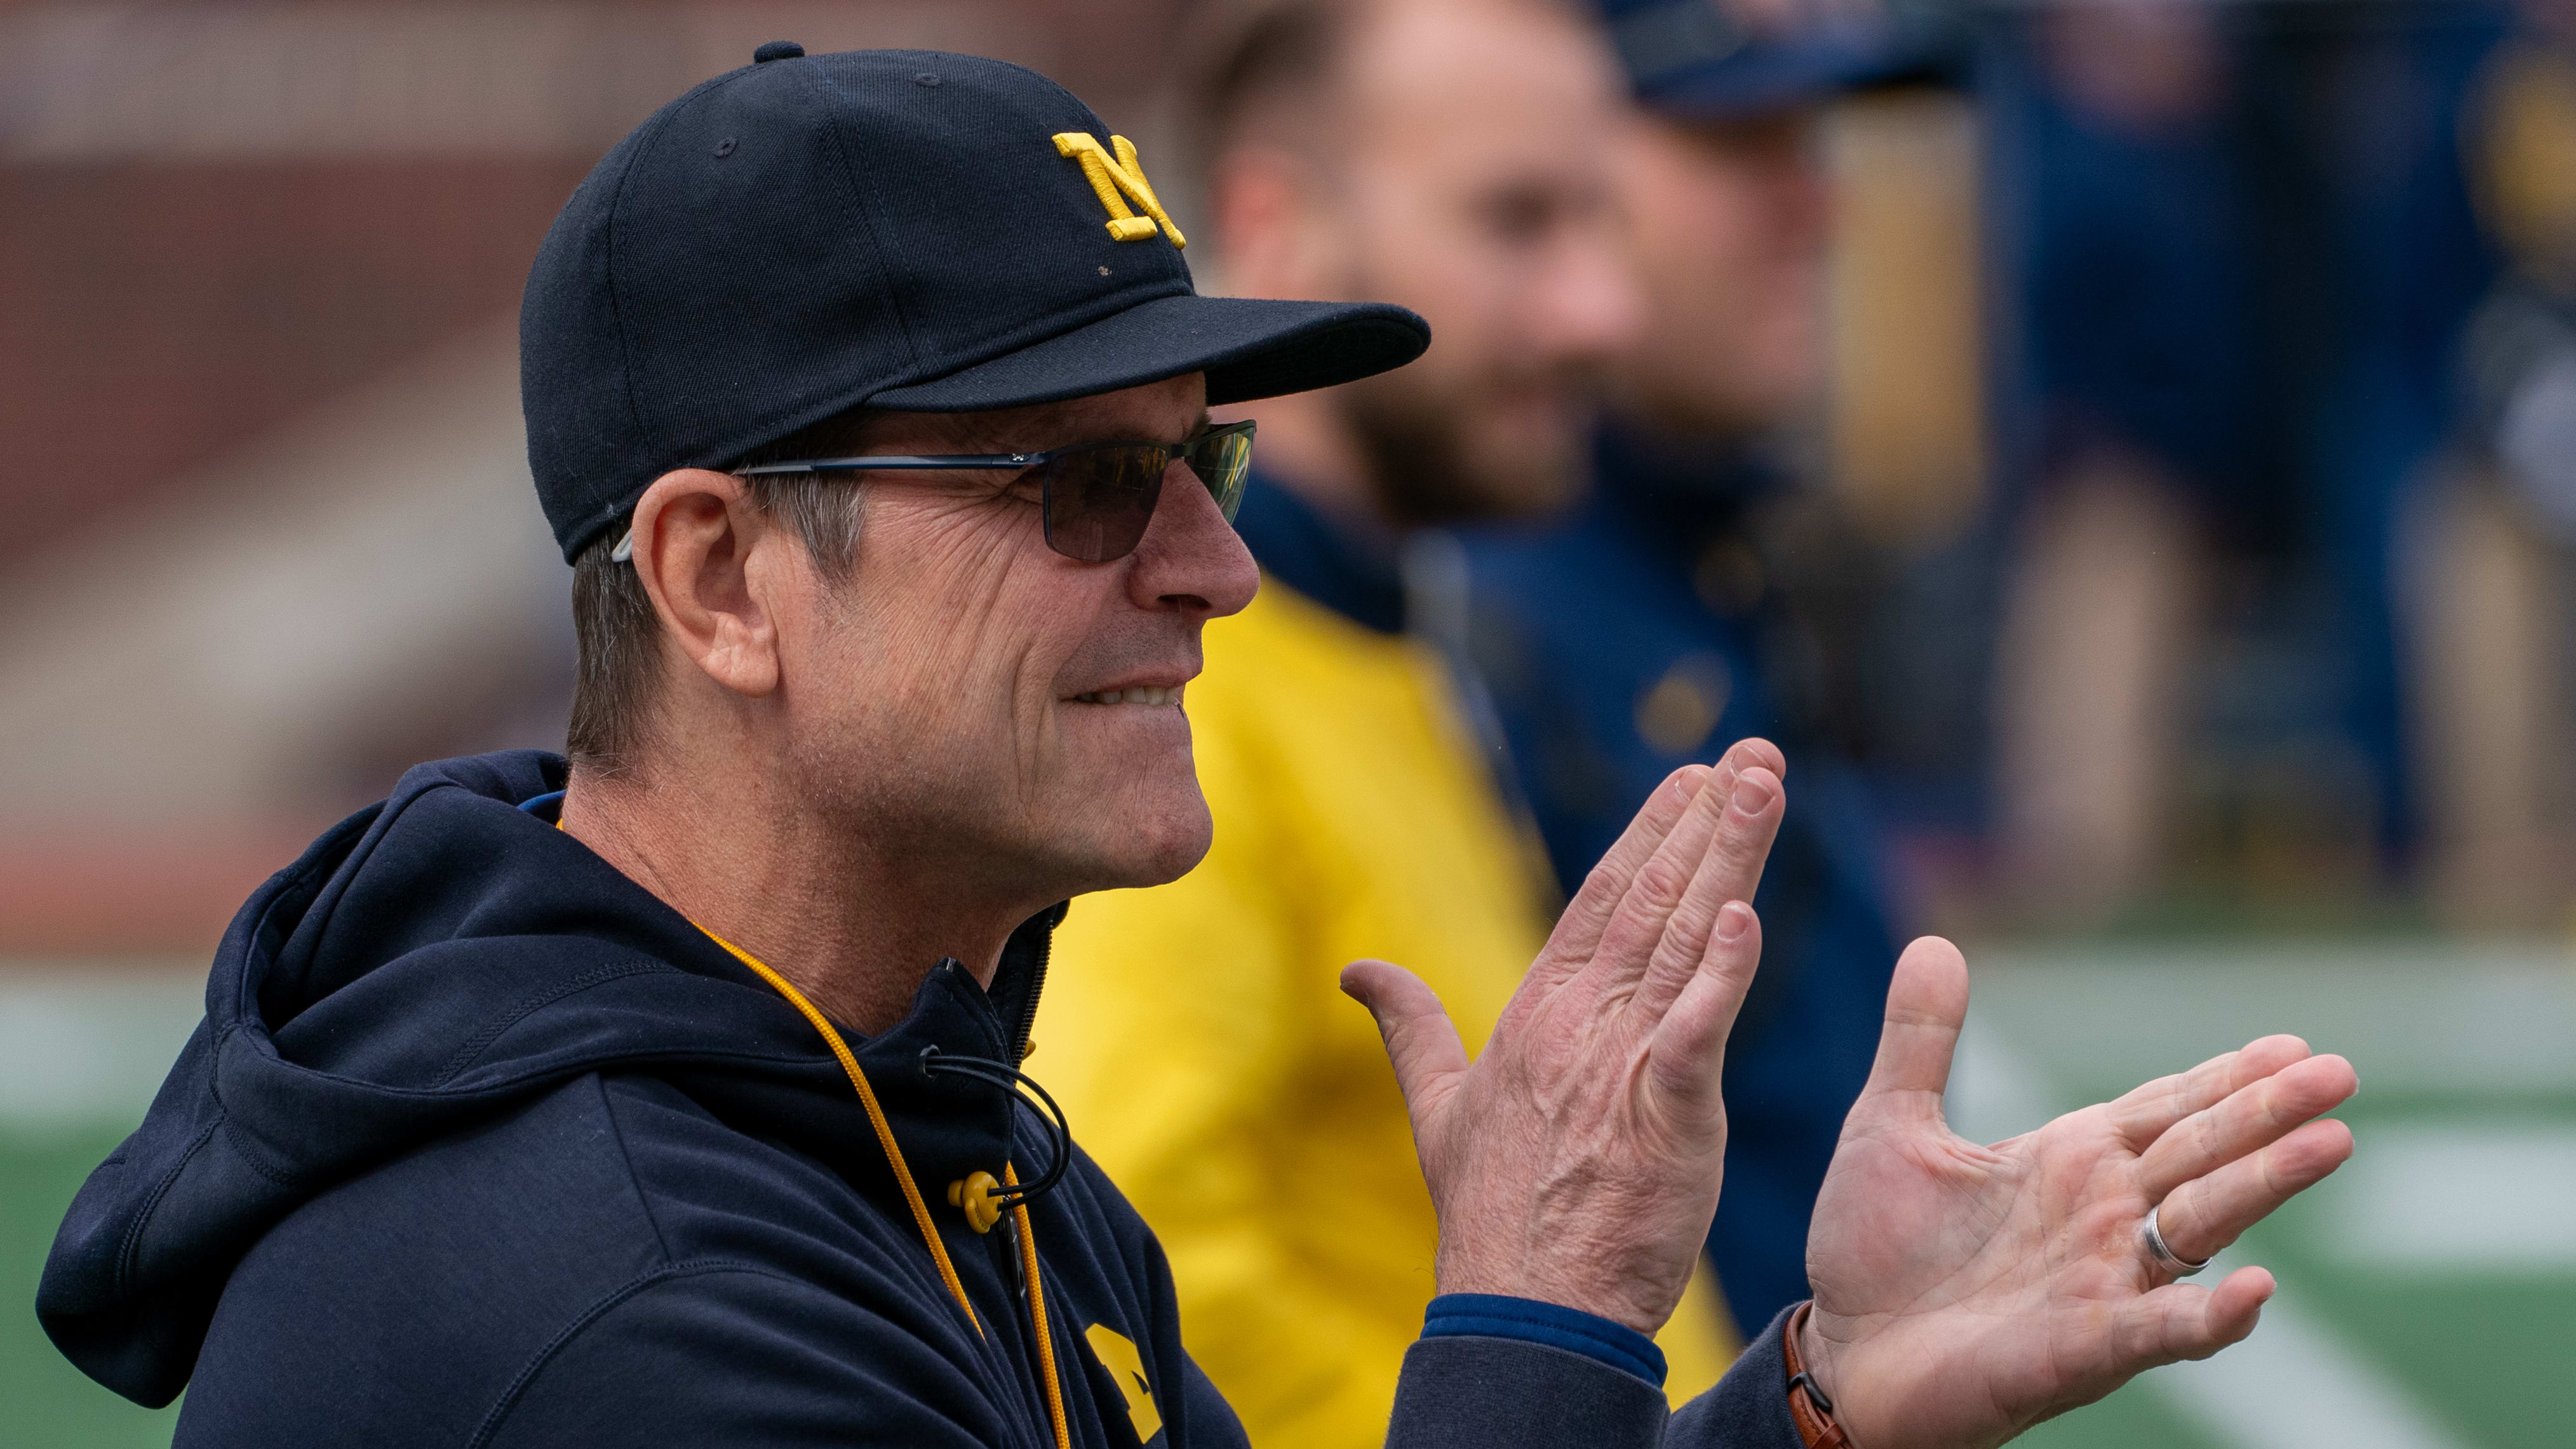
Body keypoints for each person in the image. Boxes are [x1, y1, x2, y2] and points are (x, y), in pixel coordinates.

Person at [39, 43, 2359, 1449]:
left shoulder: (916, 1107)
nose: (1212, 571)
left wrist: (1809, 1402)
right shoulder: (624, 1303)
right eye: (1075, 486)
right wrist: (1535, 1308)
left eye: (1204, 466)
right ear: (720, 579)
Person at [1034, 4, 1741, 1443]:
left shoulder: (1395, 621)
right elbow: (1147, 1271)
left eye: (1603, 223)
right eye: (1515, 220)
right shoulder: (1180, 696)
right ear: (1273, 221)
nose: (1599, 309)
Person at [1456, 0, 1919, 1335]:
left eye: (1809, 143)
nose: (1814, 207)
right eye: (1739, 144)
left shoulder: (1711, 551)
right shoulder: (1476, 614)